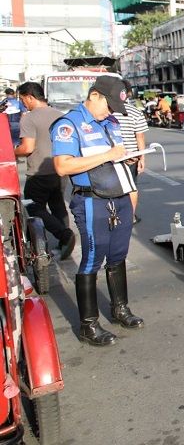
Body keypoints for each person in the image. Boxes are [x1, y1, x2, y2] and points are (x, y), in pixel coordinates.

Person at [52, 76, 144, 347]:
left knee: (118, 255)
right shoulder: (68, 125)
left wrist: (127, 157)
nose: (112, 111)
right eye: (109, 105)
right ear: (94, 95)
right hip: (91, 201)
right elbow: (63, 166)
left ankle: (120, 309)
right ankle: (88, 324)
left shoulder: (111, 122)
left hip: (120, 196)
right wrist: (108, 155)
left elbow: (113, 157)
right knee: (93, 258)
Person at [14, 82, 76, 259]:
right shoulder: (60, 115)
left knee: (33, 207)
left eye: (23, 99)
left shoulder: (29, 117)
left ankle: (64, 235)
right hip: (59, 168)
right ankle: (65, 241)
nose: (23, 103)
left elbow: (27, 147)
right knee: (57, 205)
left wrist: (12, 150)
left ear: (30, 97)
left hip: (38, 172)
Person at [111, 79, 148, 224]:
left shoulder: (109, 111)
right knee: (131, 187)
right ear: (128, 93)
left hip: (111, 156)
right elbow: (140, 136)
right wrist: (142, 158)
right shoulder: (135, 112)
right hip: (131, 157)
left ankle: (113, 217)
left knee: (112, 188)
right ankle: (130, 217)